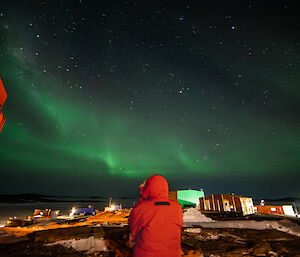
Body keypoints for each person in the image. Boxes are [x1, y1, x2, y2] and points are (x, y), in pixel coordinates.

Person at [129, 175, 183, 257]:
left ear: (148, 188)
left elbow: (133, 232)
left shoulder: (141, 208)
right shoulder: (177, 207)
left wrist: (143, 195)